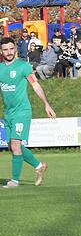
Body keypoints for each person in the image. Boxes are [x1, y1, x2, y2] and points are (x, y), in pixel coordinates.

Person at [0, 37, 56, 188]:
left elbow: (35, 85)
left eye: (11, 49)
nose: (9, 52)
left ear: (15, 50)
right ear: (1, 51)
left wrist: (46, 104)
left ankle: (14, 181)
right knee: (13, 147)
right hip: (8, 113)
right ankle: (39, 166)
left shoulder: (23, 66)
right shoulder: (0, 69)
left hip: (22, 112)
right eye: (5, 49)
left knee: (15, 144)